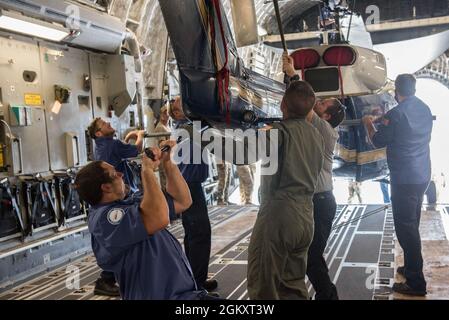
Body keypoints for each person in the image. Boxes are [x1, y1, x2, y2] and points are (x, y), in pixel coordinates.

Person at [75, 142, 218, 300]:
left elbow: (183, 200)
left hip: (184, 294)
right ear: (106, 187)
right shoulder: (104, 219)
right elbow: (159, 217)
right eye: (114, 173)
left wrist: (168, 163)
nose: (121, 174)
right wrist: (147, 171)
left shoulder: (129, 202)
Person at [247, 80, 324, 300]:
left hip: (279, 217)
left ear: (282, 104)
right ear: (311, 108)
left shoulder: (278, 134)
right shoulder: (316, 136)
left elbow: (242, 153)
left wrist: (198, 134)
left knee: (263, 286)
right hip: (306, 217)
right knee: (292, 283)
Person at [363, 74, 433, 296]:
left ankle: (415, 283)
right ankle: (411, 267)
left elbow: (378, 141)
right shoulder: (423, 107)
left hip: (404, 179)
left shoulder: (395, 114)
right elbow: (403, 127)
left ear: (396, 92)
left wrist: (368, 124)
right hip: (421, 175)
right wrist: (384, 118)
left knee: (406, 230)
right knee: (412, 223)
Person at [283, 53, 344, 299]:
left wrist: (291, 75)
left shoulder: (325, 130)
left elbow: (303, 103)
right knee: (308, 254)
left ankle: (328, 295)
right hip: (313, 202)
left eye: (322, 105)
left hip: (320, 202)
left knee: (310, 256)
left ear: (327, 116)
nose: (317, 103)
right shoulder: (314, 127)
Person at [87, 118, 145, 296]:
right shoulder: (111, 145)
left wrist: (126, 139)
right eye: (104, 124)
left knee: (115, 238)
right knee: (123, 237)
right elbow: (137, 149)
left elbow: (120, 152)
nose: (108, 123)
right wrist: (140, 136)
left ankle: (109, 277)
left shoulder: (101, 146)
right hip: (119, 194)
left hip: (109, 196)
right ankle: (107, 278)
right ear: (98, 133)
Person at [169, 97, 218, 292]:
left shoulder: (186, 127)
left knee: (192, 234)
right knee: (199, 233)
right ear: (178, 113)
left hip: (188, 184)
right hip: (189, 186)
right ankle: (196, 285)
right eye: (182, 103)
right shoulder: (190, 128)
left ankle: (194, 278)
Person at [154, 103, 171, 192]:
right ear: (160, 115)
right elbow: (162, 145)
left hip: (169, 158)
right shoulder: (160, 127)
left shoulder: (167, 127)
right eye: (164, 113)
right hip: (164, 158)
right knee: (166, 182)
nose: (166, 115)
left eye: (167, 112)